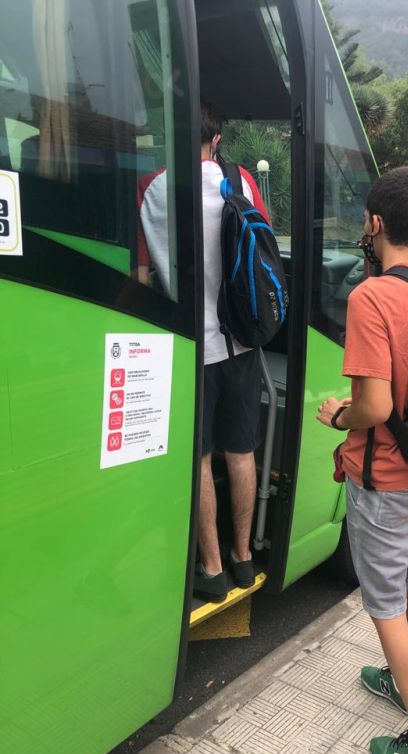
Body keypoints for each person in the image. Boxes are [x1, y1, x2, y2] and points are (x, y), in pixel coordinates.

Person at [316, 166, 408, 754]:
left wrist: (336, 415)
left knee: (386, 607)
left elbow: (373, 406)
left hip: (384, 479)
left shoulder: (372, 297)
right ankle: (403, 680)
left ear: (375, 224)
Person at [138, 100, 270, 602]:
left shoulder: (150, 188)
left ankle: (211, 570)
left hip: (188, 349)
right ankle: (243, 557)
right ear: (216, 141)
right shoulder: (240, 182)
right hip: (240, 343)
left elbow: (142, 278)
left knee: (199, 458)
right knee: (241, 451)